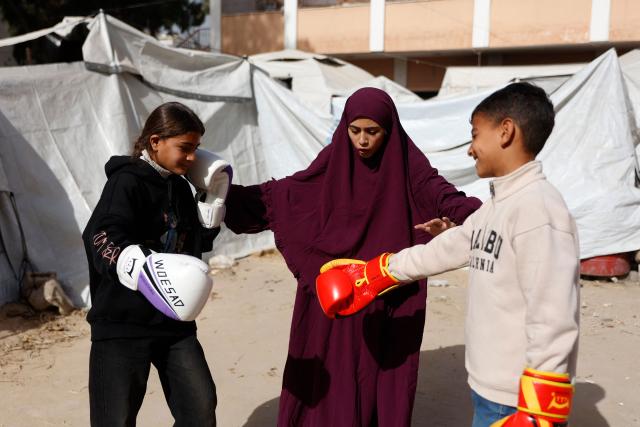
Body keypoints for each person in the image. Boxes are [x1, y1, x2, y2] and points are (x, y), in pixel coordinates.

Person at [316, 83, 580, 427]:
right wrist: (378, 273)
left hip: (518, 402)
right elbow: (449, 248)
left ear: (506, 132)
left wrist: (538, 413)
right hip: (490, 388)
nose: (471, 149)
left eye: (475, 135)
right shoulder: (498, 206)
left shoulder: (539, 211)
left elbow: (554, 315)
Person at [225, 87, 481, 426]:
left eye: (372, 132)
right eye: (355, 130)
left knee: (378, 377)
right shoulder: (333, 161)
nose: (362, 140)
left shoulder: (409, 165)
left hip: (388, 290)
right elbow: (285, 195)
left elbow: (445, 196)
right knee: (331, 375)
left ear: (388, 130)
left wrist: (482, 217)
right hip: (334, 292)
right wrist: (219, 191)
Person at [82, 102, 232, 427]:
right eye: (185, 148)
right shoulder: (126, 182)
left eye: (196, 149)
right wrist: (135, 265)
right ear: (155, 142)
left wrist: (212, 209)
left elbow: (192, 250)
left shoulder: (180, 186)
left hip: (173, 324)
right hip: (122, 325)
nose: (192, 157)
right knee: (115, 421)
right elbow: (99, 235)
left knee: (200, 408)